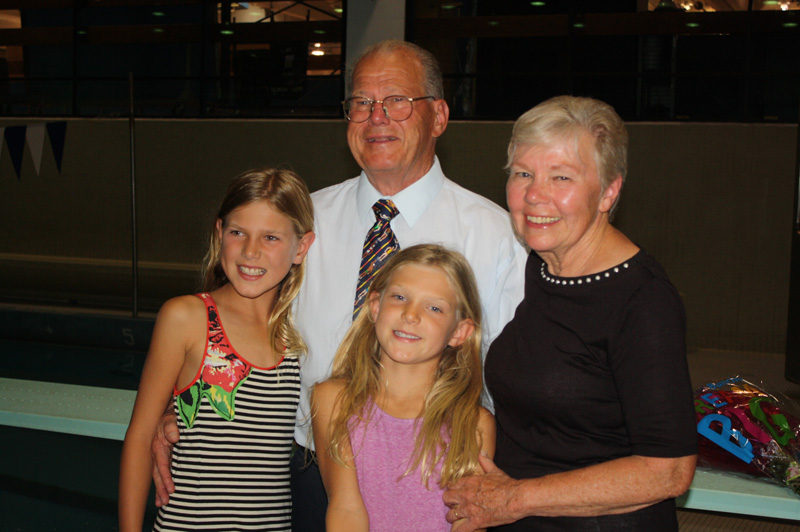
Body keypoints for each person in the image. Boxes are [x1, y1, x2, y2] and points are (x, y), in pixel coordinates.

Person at [150, 40, 528, 531]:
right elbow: (236, 323)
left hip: (434, 482)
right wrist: (178, 403)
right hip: (307, 474)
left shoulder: (497, 236)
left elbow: (516, 381)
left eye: (397, 101)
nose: (376, 117)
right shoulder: (300, 224)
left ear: (438, 116)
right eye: (361, 102)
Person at [442, 96, 698, 532]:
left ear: (609, 191)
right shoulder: (543, 266)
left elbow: (669, 470)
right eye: (523, 173)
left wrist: (514, 498)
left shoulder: (643, 300)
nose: (534, 194)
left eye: (561, 177)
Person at [119, 168, 315, 532]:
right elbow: (141, 436)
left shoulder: (299, 332)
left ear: (301, 248)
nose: (251, 251)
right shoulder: (189, 318)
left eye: (270, 237)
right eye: (238, 232)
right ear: (219, 232)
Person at [311, 244, 495, 532]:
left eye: (434, 307)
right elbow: (346, 508)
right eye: (399, 297)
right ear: (375, 307)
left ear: (460, 332)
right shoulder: (333, 399)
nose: (411, 314)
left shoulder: (473, 423)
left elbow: (468, 523)